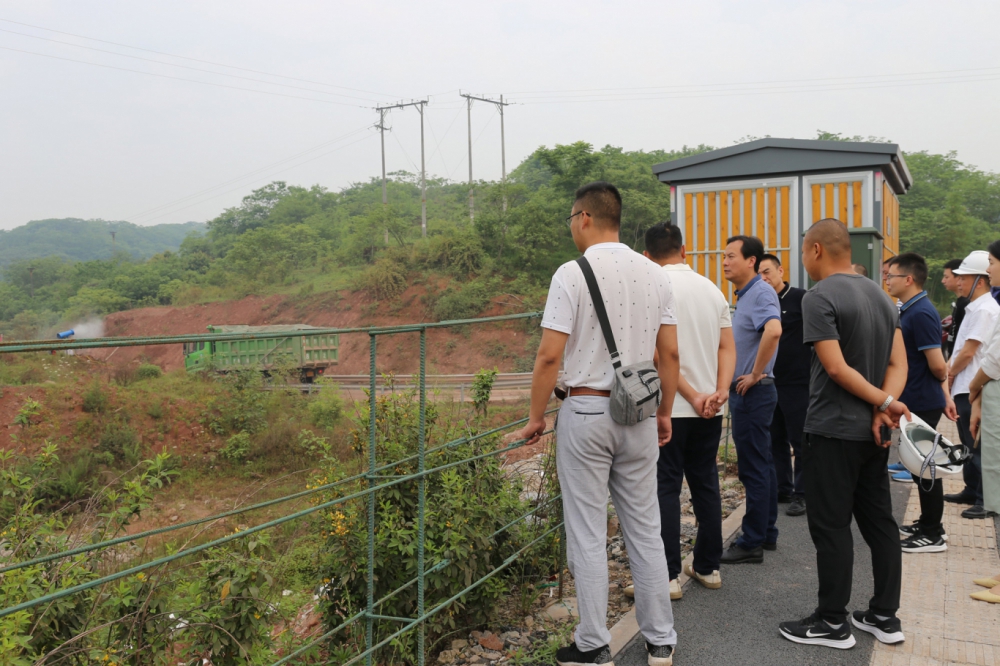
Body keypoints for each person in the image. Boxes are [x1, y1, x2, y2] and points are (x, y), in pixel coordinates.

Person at [518, 182, 679, 666]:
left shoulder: (571, 273)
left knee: (588, 533)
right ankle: (661, 640)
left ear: (584, 217)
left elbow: (549, 356)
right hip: (639, 412)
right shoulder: (656, 274)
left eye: (571, 218)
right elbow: (669, 354)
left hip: (587, 411)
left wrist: (535, 417)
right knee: (645, 528)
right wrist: (665, 412)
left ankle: (593, 644)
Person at [778, 219, 909, 650]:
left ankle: (832, 621)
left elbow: (835, 368)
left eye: (803, 250)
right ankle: (884, 615)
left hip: (832, 429)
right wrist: (883, 405)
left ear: (816, 249)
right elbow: (898, 364)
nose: (803, 258)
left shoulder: (819, 297)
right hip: (872, 432)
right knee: (880, 523)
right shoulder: (882, 296)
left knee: (831, 527)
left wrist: (883, 404)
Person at [640, 222, 736, 599]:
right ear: (684, 250)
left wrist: (693, 395)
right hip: (710, 409)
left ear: (646, 256)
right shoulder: (712, 289)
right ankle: (708, 567)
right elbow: (726, 347)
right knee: (705, 483)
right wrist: (719, 392)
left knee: (665, 487)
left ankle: (667, 576)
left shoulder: (652, 288)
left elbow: (661, 355)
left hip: (671, 408)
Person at [884, 252, 958, 553]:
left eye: (891, 276)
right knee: (918, 467)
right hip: (915, 398)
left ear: (908, 279)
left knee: (926, 467)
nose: (887, 280)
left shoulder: (921, 312)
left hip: (922, 400)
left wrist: (944, 394)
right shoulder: (910, 309)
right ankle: (929, 523)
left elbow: (938, 365)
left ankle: (932, 534)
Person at [718, 235, 782, 564]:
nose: (725, 261)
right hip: (752, 392)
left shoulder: (760, 292)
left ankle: (751, 542)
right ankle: (765, 532)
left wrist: (756, 373)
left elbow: (774, 330)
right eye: (724, 256)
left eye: (731, 256)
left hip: (753, 392)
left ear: (751, 261)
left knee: (754, 468)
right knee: (762, 464)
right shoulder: (748, 294)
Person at [946, 250, 1000, 519]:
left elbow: (968, 352)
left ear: (980, 281)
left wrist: (949, 374)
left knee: (977, 445)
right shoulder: (974, 307)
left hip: (972, 385)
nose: (958, 282)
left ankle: (984, 498)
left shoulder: (986, 309)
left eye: (963, 278)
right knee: (969, 444)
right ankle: (972, 489)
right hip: (966, 385)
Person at [758, 253, 811, 517]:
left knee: (800, 440)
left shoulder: (801, 299)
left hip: (797, 382)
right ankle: (783, 488)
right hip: (769, 380)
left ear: (780, 271)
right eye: (759, 274)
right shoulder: (760, 301)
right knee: (774, 438)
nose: (763, 278)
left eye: (767, 272)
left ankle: (803, 493)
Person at [941, 258, 965, 360]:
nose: (943, 281)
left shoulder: (967, 305)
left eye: (946, 277)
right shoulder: (960, 302)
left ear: (959, 278)